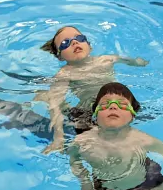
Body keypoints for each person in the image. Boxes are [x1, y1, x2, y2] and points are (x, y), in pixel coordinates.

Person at [67, 82, 163, 190]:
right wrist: (86, 187)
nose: (113, 107)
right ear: (95, 114)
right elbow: (74, 158)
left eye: (122, 105)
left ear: (132, 116)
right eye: (105, 104)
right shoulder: (83, 141)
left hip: (144, 180)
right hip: (106, 185)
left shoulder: (142, 140)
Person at [36, 26, 149, 154]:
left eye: (79, 38)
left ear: (90, 46)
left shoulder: (107, 60)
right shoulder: (65, 74)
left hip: (116, 104)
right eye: (65, 43)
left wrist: (140, 62)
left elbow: (131, 61)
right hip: (88, 112)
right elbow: (55, 104)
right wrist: (59, 138)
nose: (74, 42)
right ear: (60, 57)